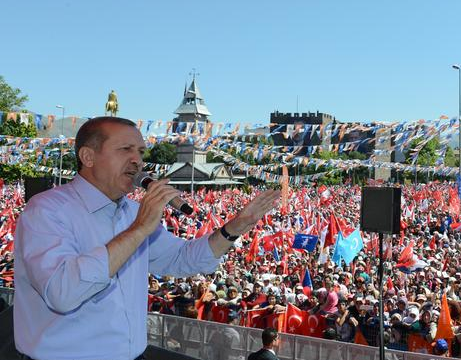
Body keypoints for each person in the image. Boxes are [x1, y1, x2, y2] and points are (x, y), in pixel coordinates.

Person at [13, 116, 281, 360]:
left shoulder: (132, 212)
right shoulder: (47, 211)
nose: (137, 161)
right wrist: (139, 229)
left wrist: (235, 227)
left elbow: (183, 259)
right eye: (125, 149)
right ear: (88, 157)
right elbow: (62, 292)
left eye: (140, 152)